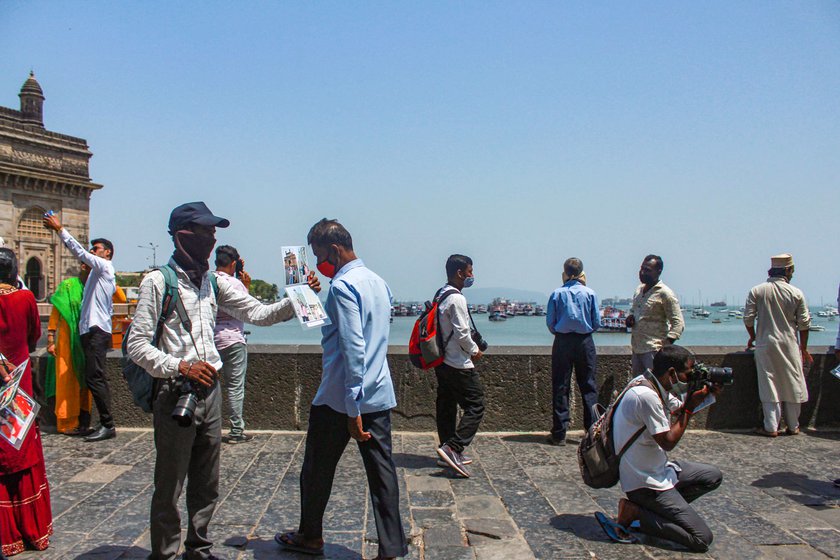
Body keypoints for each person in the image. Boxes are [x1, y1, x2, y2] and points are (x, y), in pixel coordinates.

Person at [126, 202, 319, 560]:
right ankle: (165, 553)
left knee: (207, 481)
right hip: (175, 391)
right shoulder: (157, 283)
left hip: (209, 390)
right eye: (205, 233)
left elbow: (259, 313)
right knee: (169, 483)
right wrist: (180, 366)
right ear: (184, 236)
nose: (212, 240)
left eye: (214, 233)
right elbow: (136, 345)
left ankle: (198, 548)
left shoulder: (215, 283)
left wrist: (298, 295)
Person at [276, 219, 407, 560]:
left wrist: (352, 408)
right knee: (382, 474)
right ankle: (391, 546)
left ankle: (310, 536)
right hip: (378, 392)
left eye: (320, 255)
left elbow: (352, 348)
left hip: (340, 397)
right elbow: (334, 330)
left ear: (334, 250)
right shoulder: (379, 283)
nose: (319, 262)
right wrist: (303, 292)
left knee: (316, 470)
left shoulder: (343, 286)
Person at [598, 345, 722, 552]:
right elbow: (668, 441)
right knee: (701, 538)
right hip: (644, 483)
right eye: (687, 374)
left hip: (659, 469)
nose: (689, 379)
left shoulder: (651, 385)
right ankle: (637, 512)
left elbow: (679, 410)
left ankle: (658, 513)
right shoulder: (645, 396)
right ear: (672, 373)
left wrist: (704, 395)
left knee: (712, 476)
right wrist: (689, 408)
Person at [43, 213, 118, 442]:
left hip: (96, 332)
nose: (93, 251)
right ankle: (99, 422)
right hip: (91, 332)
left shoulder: (104, 267)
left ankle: (108, 424)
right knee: (92, 378)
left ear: (108, 253)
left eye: (97, 248)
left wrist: (60, 229)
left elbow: (79, 252)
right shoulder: (95, 277)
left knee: (96, 378)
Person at [0, 248, 52, 556]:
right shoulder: (25, 299)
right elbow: (35, 335)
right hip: (19, 386)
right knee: (22, 449)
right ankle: (31, 530)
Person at [744, 254, 812, 437]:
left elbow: (748, 319)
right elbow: (804, 324)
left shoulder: (757, 291)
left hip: (765, 343)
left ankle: (771, 427)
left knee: (769, 384)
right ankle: (793, 425)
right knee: (792, 382)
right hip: (790, 343)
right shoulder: (796, 293)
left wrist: (753, 337)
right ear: (788, 271)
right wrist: (803, 348)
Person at [433, 254, 485, 478]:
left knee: (446, 404)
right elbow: (463, 333)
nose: (472, 276)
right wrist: (475, 351)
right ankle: (453, 447)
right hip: (457, 362)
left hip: (441, 360)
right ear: (459, 273)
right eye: (470, 271)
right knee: (476, 405)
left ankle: (446, 447)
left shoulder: (441, 293)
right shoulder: (457, 299)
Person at [545, 258, 601, 446]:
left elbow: (550, 323)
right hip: (585, 341)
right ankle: (593, 430)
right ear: (582, 272)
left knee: (561, 386)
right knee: (589, 386)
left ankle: (559, 433)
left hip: (562, 341)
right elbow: (596, 322)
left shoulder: (556, 294)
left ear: (565, 272)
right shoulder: (590, 293)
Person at [212, 245, 254, 444]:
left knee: (210, 386)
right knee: (235, 387)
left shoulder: (209, 281)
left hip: (211, 340)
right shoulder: (235, 285)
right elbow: (247, 310)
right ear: (234, 263)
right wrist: (245, 286)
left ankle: (207, 427)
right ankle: (236, 430)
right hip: (233, 341)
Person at [626, 255, 684, 374]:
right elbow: (633, 311)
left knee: (654, 386)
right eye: (641, 269)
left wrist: (665, 346)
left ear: (658, 271)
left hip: (653, 350)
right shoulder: (639, 290)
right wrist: (630, 319)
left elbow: (678, 324)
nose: (642, 272)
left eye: (647, 270)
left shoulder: (665, 293)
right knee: (639, 387)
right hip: (637, 348)